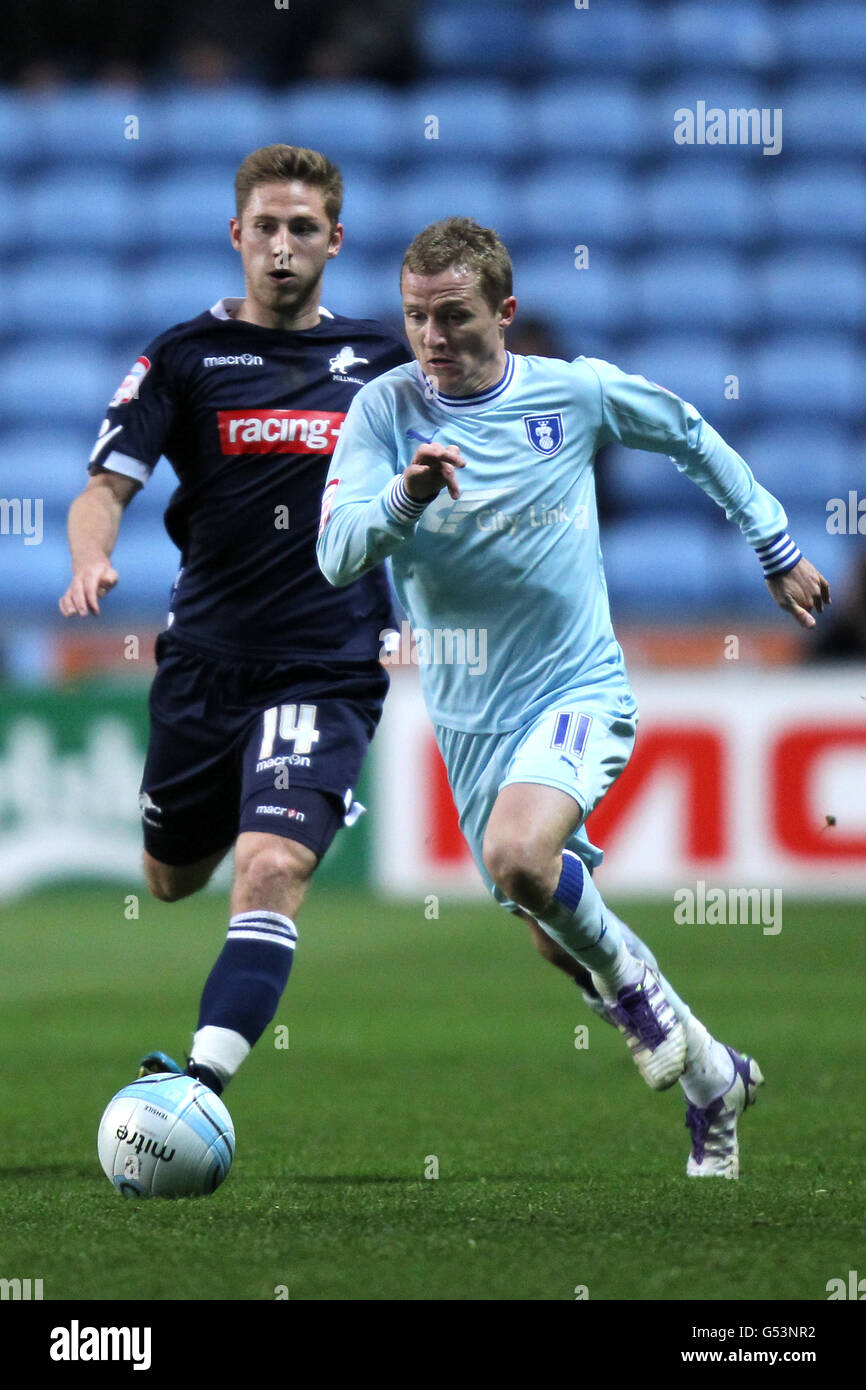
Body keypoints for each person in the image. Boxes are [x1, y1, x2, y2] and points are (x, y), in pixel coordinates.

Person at [317, 216, 831, 1179]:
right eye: (416, 318)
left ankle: (636, 994)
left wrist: (775, 545)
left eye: (454, 317)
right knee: (549, 927)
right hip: (468, 719)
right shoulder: (383, 413)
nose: (431, 339)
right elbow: (335, 549)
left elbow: (689, 435)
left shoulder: (575, 393)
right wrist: (406, 498)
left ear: (504, 314)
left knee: (520, 855)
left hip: (575, 683)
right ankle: (715, 1077)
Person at [59, 144, 409, 1097]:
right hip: (206, 663)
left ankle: (199, 1085)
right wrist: (93, 553)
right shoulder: (183, 357)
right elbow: (103, 486)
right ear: (237, 236)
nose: (283, 246)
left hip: (325, 665)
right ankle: (255, 788)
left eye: (304, 228)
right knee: (171, 877)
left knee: (269, 867)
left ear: (335, 240)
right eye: (267, 228)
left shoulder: (385, 361)